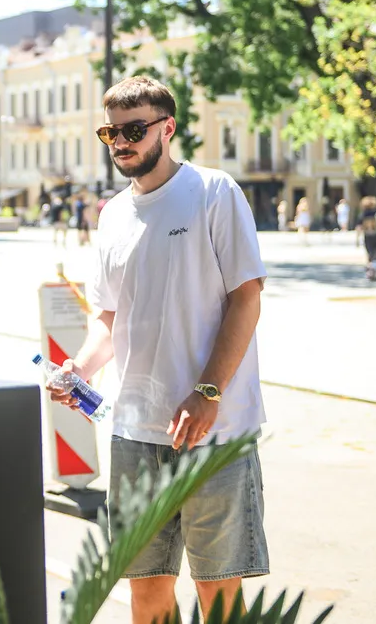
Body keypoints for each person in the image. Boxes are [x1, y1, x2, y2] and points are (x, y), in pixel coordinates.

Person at [50, 76, 268, 624]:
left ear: (167, 128)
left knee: (219, 594)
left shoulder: (214, 192)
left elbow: (247, 297)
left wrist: (208, 391)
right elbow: (109, 318)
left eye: (134, 130)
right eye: (111, 132)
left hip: (215, 432)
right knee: (146, 595)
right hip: (134, 433)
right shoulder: (112, 215)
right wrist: (82, 366)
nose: (121, 142)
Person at [358, 196, 376, 281]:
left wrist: (357, 238)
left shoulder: (363, 214)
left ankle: (370, 269)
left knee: (370, 254)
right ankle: (373, 270)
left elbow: (359, 226)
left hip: (367, 235)